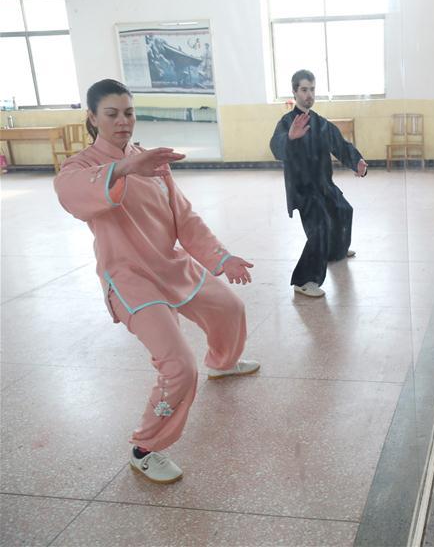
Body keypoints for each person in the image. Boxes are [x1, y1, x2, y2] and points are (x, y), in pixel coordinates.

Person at [54, 79, 259, 485]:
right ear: (92, 118)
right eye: (111, 114)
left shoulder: (151, 161)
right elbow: (71, 194)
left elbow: (185, 217)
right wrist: (127, 167)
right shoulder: (80, 167)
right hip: (130, 279)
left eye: (128, 112)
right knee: (179, 366)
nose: (122, 121)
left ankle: (222, 363)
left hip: (170, 264)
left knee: (230, 308)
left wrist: (222, 257)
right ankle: (144, 449)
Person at [270, 69, 368, 298]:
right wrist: (290, 137)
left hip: (324, 185)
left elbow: (341, 145)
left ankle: (335, 252)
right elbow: (275, 147)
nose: (308, 95)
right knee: (320, 227)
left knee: (344, 210)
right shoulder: (286, 123)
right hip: (303, 190)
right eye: (304, 90)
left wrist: (357, 162)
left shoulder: (321, 123)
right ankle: (304, 281)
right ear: (295, 92)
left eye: (312, 89)